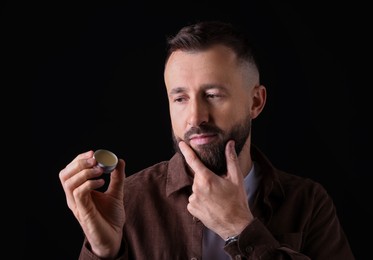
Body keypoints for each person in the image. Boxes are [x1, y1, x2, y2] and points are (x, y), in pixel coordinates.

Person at [59, 20, 355, 260]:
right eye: (180, 98)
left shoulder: (308, 203)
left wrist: (241, 229)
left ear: (255, 102)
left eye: (213, 95)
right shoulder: (131, 201)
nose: (196, 117)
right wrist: (104, 252)